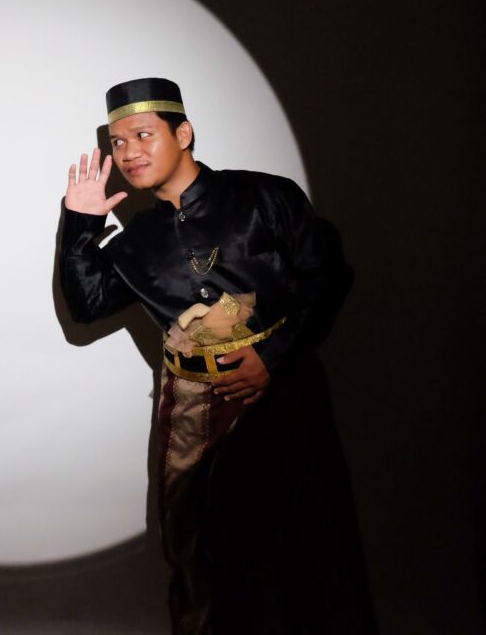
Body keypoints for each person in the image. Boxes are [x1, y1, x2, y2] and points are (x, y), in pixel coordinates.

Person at [58, 78, 375, 634]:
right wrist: (80, 222)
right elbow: (86, 305)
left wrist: (272, 356)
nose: (129, 152)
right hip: (193, 412)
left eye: (143, 135)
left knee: (312, 542)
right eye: (118, 142)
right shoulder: (135, 241)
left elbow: (328, 277)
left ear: (183, 133)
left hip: (283, 394)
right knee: (211, 557)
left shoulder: (264, 198)